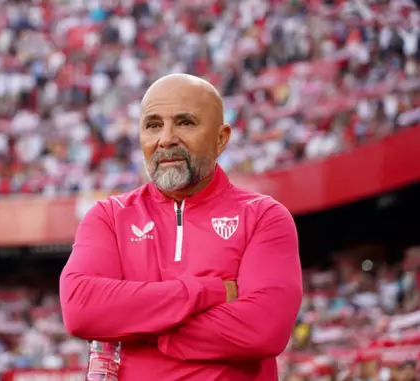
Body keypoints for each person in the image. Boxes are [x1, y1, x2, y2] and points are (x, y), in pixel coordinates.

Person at [59, 73, 303, 381]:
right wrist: (207, 291)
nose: (166, 139)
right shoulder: (109, 216)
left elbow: (263, 329)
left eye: (185, 122)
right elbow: (80, 308)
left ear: (221, 138)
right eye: (153, 125)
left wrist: (145, 329)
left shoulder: (264, 217)